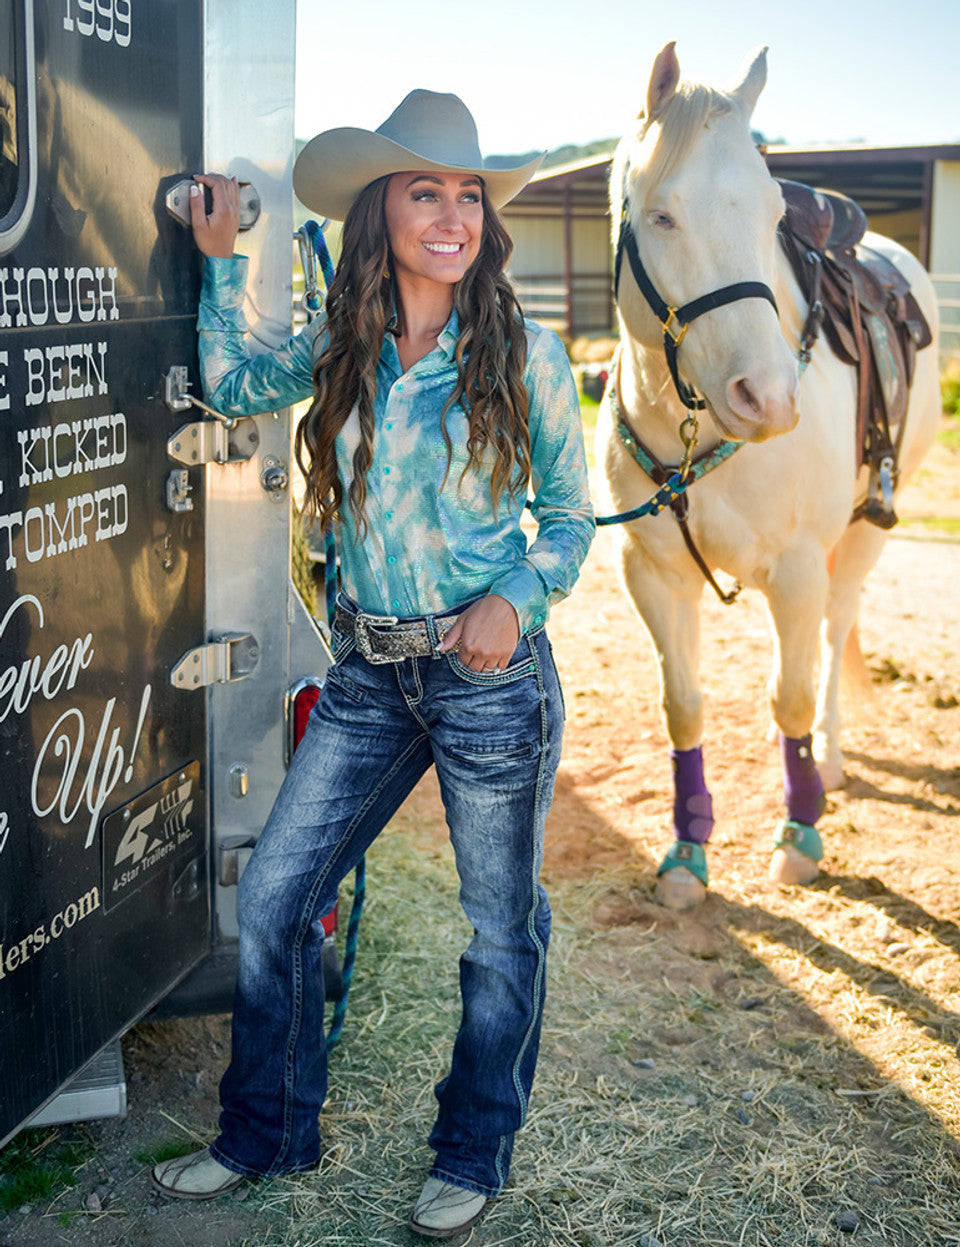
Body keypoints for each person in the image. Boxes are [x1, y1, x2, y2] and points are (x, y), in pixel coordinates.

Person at [150, 88, 594, 1238]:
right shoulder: (344, 343)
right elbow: (233, 384)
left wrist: (516, 593)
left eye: (466, 194)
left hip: (488, 680)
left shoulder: (527, 354)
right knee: (281, 894)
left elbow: (569, 519)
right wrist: (212, 263)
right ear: (380, 211)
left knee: (499, 928)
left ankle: (473, 1147)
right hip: (366, 676)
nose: (450, 214)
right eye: (423, 191)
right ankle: (263, 1132)